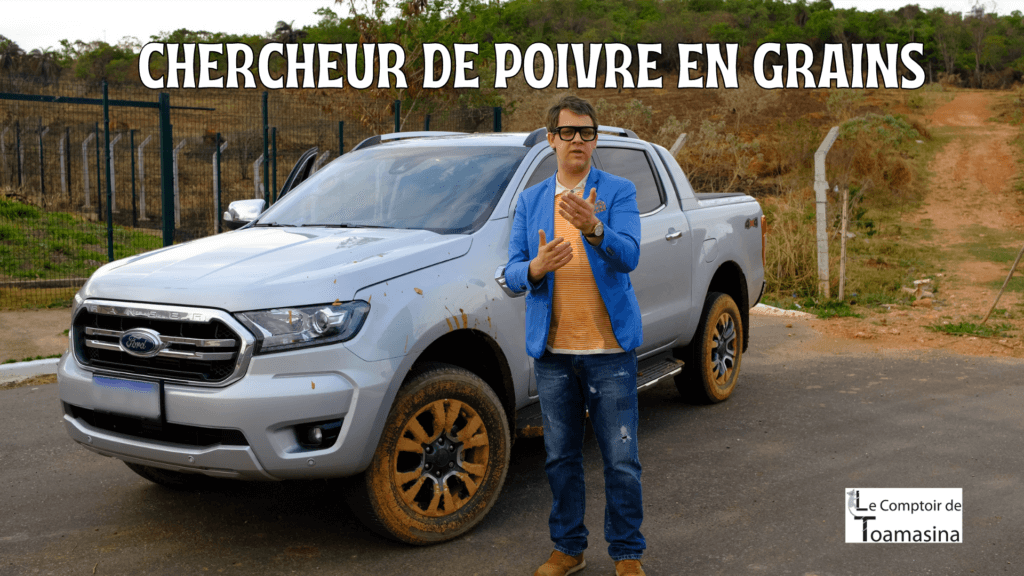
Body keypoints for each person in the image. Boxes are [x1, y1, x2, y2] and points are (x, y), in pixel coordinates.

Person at [505, 95, 646, 576]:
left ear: (595, 139)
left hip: (609, 351)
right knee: (560, 458)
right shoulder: (530, 201)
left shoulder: (618, 191)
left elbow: (629, 255)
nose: (578, 141)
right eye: (568, 133)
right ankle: (569, 548)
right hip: (554, 354)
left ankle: (627, 555)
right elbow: (510, 271)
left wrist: (595, 229)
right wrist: (535, 268)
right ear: (551, 141)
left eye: (586, 133)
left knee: (622, 460)